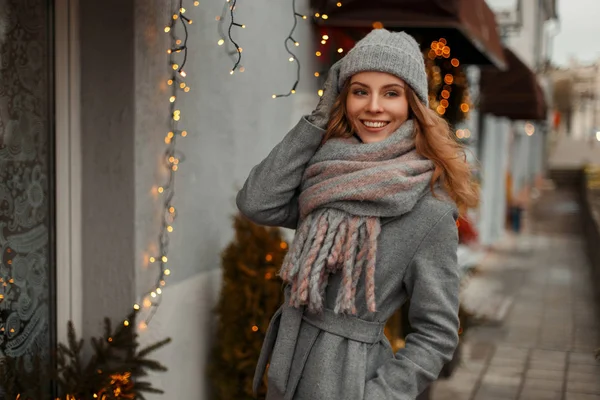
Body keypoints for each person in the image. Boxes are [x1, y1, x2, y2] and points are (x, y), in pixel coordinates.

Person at [236, 29, 479, 400]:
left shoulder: (429, 209)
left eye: (391, 93)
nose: (374, 106)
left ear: (413, 104)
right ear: (343, 96)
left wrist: (379, 396)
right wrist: (318, 117)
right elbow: (257, 201)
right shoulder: (327, 173)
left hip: (351, 380)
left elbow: (437, 333)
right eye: (360, 90)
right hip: (290, 368)